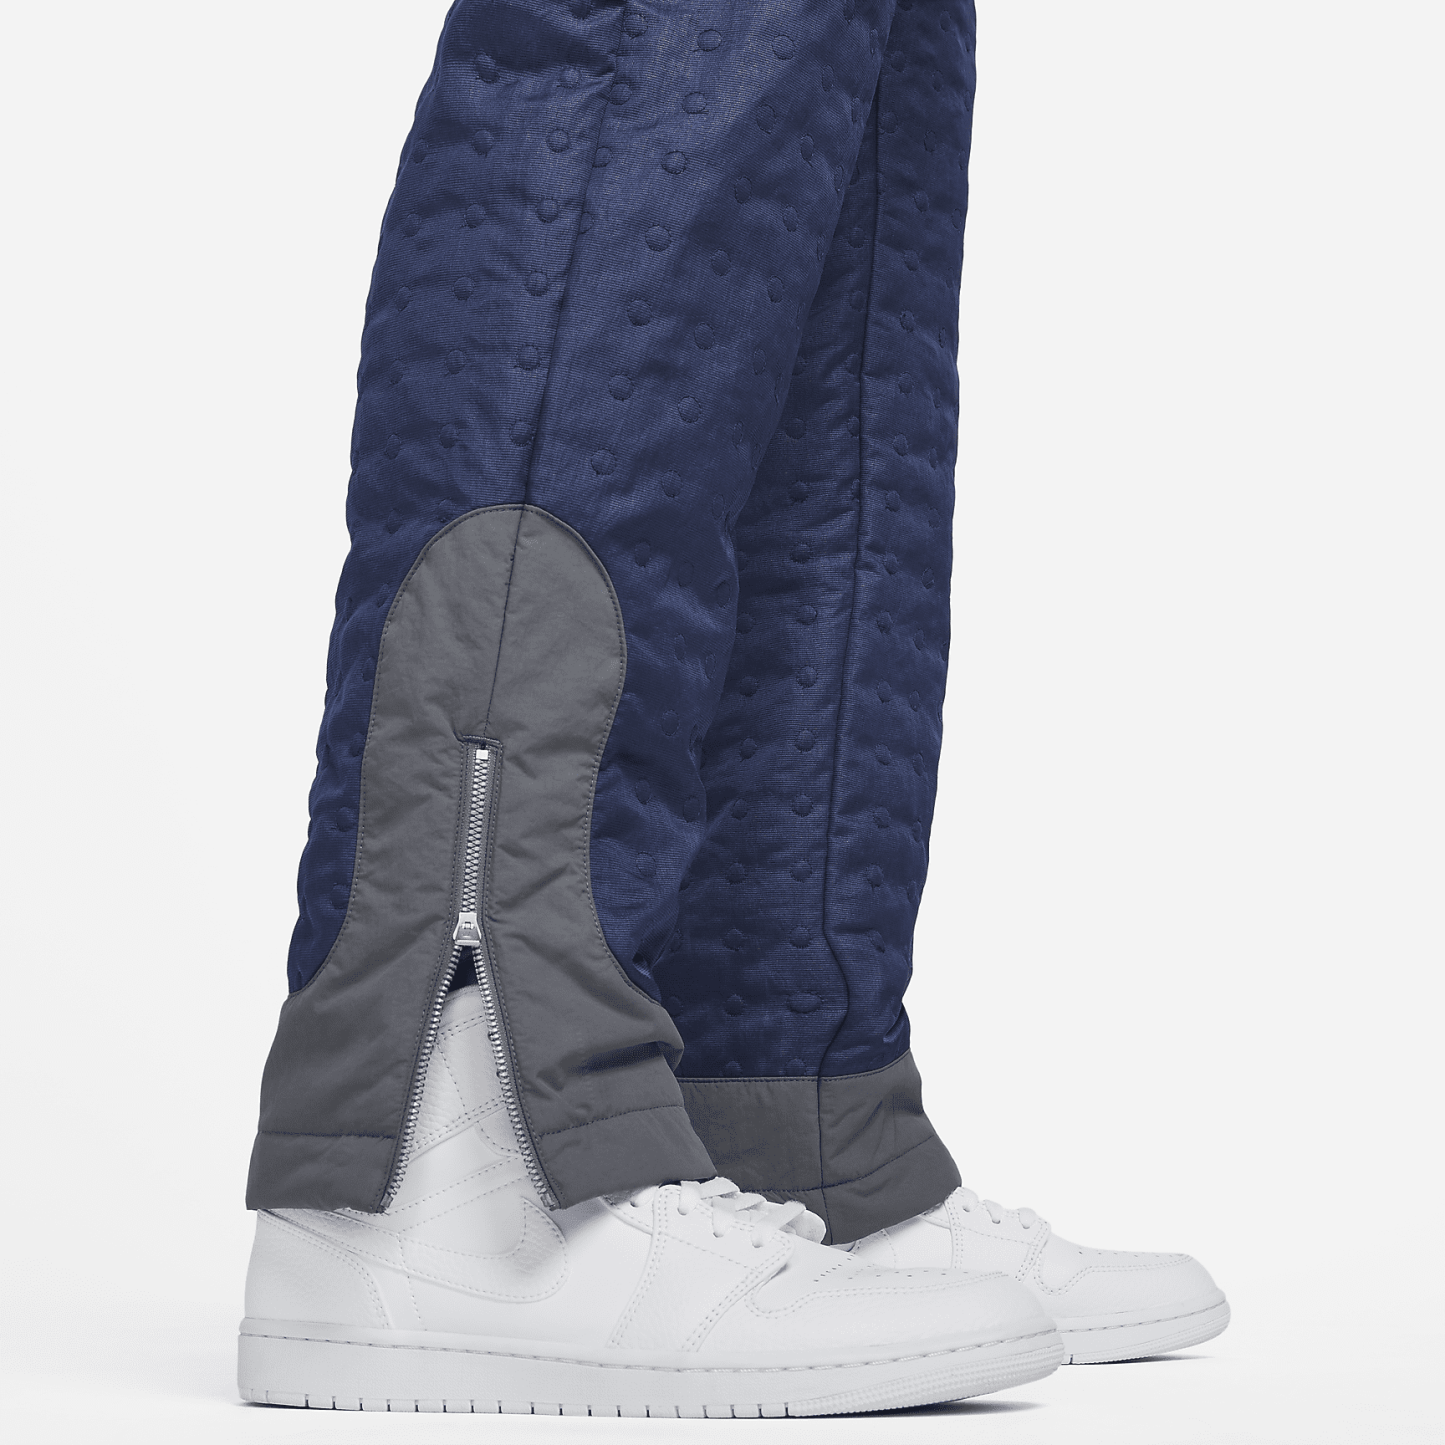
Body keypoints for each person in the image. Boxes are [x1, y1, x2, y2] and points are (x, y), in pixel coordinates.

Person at [239, 0, 1226, 1416]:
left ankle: (773, 1110)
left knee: (849, 82)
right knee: (655, 36)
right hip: (447, 1103)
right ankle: (460, 1134)